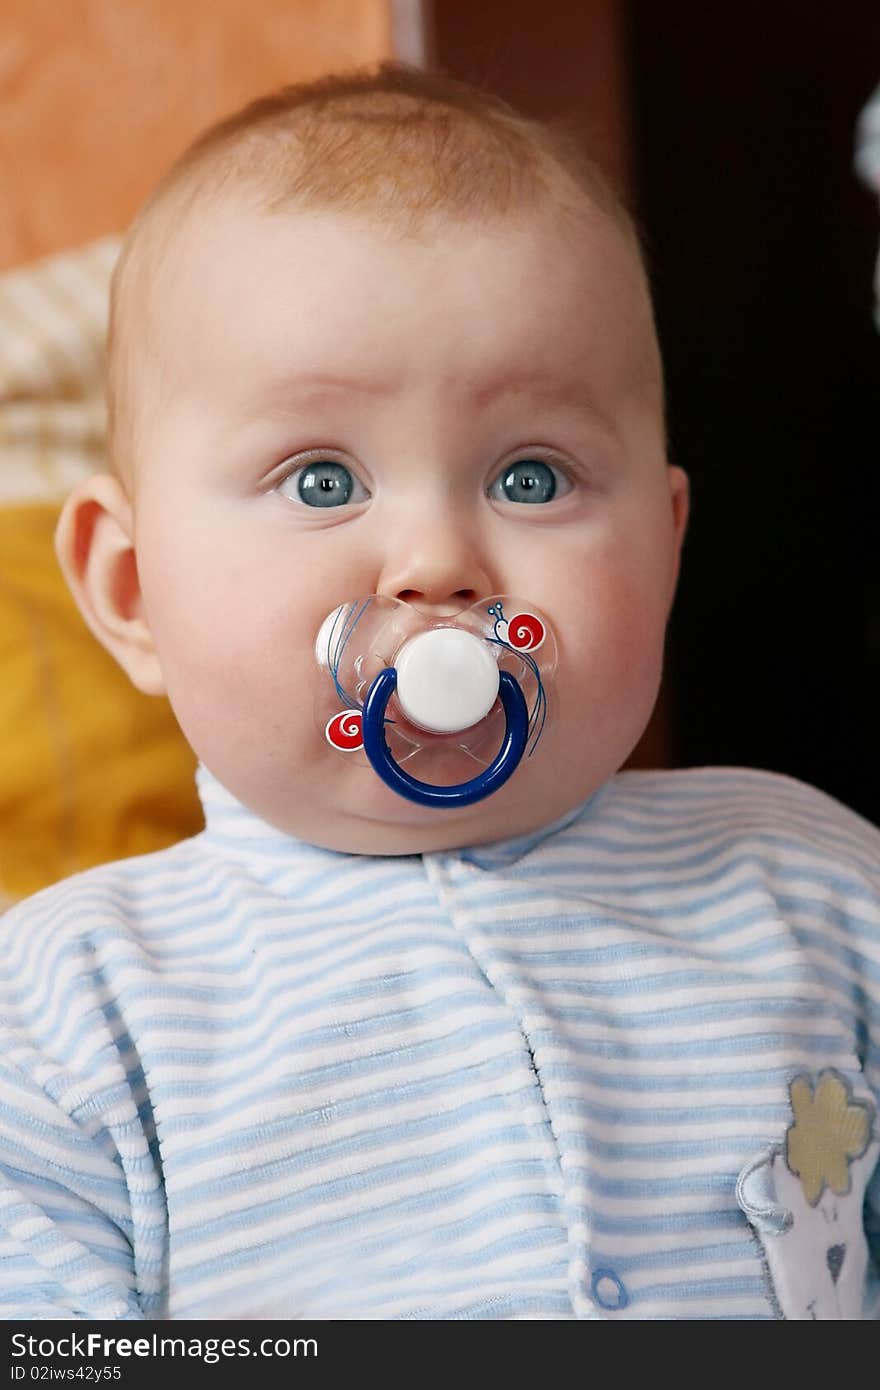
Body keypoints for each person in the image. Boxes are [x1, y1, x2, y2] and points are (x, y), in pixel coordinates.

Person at [1, 63, 878, 1321]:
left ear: (664, 547)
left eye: (530, 477)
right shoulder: (67, 1009)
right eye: (319, 480)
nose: (436, 565)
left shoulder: (817, 884)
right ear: (133, 590)